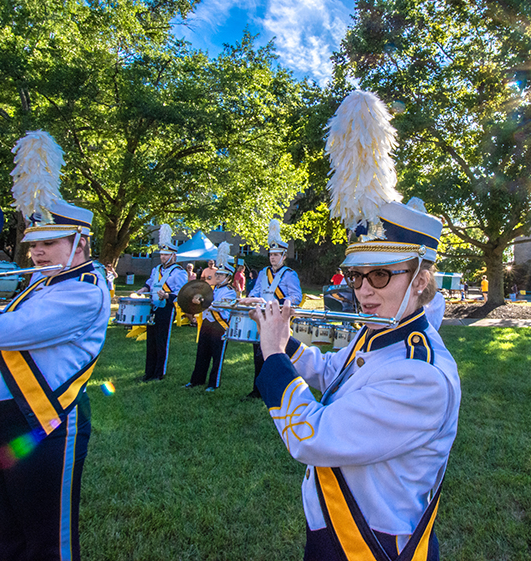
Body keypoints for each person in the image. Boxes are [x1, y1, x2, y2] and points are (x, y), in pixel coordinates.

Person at [253, 91, 461, 559]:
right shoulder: (381, 335)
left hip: (370, 545)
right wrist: (288, 347)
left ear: (422, 281)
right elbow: (334, 375)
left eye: (381, 275)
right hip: (334, 528)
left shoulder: (420, 374)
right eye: (356, 275)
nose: (363, 290)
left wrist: (270, 361)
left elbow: (313, 436)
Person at [0, 131, 109, 561]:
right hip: (0, 420)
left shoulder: (85, 290)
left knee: (46, 540)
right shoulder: (46, 283)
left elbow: (0, 331)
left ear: (79, 243)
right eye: (33, 245)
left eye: (47, 244)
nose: (35, 253)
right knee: (7, 534)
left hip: (45, 420)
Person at [242, 219, 302, 399]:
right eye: (271, 254)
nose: (272, 258)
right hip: (261, 318)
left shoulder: (290, 274)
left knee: (276, 355)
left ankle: (278, 390)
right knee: (258, 353)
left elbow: (296, 297)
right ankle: (257, 389)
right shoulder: (263, 273)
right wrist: (251, 298)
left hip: (277, 318)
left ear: (284, 256)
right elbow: (256, 291)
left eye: (276, 255)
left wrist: (278, 302)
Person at [135, 224, 187, 382]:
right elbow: (151, 283)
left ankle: (159, 373)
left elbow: (182, 293)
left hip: (166, 308)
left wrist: (167, 295)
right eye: (162, 254)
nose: (162, 257)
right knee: (150, 340)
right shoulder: (156, 269)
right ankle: (148, 372)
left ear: (173, 256)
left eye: (166, 255)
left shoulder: (179, 272)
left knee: (161, 340)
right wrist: (143, 289)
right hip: (153, 307)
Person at [184, 243, 236, 391]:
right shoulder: (211, 289)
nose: (217, 276)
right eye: (217, 274)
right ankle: (196, 380)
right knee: (202, 353)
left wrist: (204, 302)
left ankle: (214, 383)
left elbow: (220, 306)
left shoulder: (230, 291)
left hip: (220, 325)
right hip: (207, 323)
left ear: (228, 277)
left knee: (217, 356)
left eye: (221, 275)